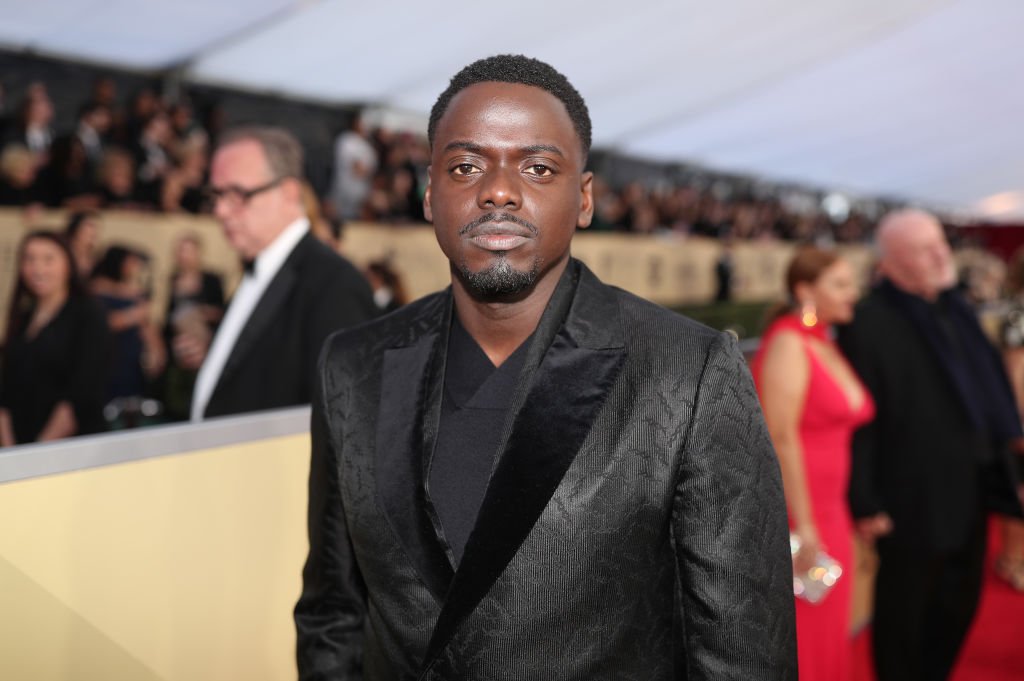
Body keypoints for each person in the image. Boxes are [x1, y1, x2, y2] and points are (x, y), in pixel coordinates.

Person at [294, 54, 796, 680]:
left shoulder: (686, 373)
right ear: (429, 194)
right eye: (466, 165)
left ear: (583, 198)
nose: (498, 190)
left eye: (537, 167)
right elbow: (332, 613)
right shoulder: (353, 365)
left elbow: (743, 655)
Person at [838, 209, 1024, 681]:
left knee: (958, 606)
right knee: (904, 617)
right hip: (910, 497)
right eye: (926, 249)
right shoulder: (869, 322)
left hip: (972, 487)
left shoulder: (956, 307)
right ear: (893, 262)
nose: (943, 256)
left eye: (941, 244)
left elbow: (988, 393)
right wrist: (865, 500)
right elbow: (861, 422)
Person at [184, 126, 377, 421]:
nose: (220, 210)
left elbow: (347, 423)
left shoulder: (334, 285)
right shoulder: (260, 272)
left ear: (289, 193)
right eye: (217, 195)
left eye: (237, 194)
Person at [751, 247, 874, 681]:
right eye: (840, 284)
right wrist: (803, 527)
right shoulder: (788, 342)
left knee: (828, 634)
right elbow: (780, 437)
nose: (853, 293)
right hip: (799, 515)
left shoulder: (821, 342)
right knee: (802, 640)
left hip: (830, 511)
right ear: (805, 290)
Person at [0, 231, 110, 445]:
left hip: (67, 451)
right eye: (29, 259)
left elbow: (81, 394)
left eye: (48, 259)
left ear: (68, 264)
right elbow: (6, 391)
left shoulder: (88, 314)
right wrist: (10, 449)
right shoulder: (22, 318)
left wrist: (37, 454)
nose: (37, 269)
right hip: (17, 449)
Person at [161, 234, 225, 421]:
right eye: (181, 251)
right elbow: (166, 315)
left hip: (204, 344)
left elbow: (221, 311)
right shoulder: (172, 279)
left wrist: (200, 312)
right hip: (178, 345)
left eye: (189, 250)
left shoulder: (211, 279)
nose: (185, 256)